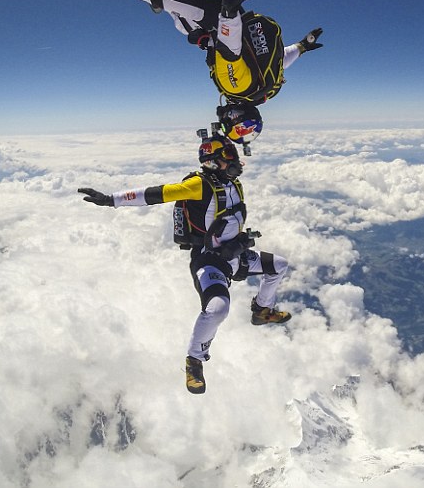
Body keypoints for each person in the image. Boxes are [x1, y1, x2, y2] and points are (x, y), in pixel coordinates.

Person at [54, 0, 323, 146]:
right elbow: (230, 50)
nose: (223, 119)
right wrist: (228, 13)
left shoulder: (265, 92)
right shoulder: (237, 87)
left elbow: (280, 60)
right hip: (216, 16)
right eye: (230, 124)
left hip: (211, 23)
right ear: (236, 117)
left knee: (184, 29)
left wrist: (302, 46)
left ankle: (168, 8)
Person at [77, 126, 291, 394]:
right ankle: (194, 362)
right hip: (210, 260)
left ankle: (261, 311)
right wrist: (111, 200)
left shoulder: (232, 183)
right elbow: (156, 194)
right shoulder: (198, 185)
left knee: (278, 266)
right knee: (217, 310)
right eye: (229, 155)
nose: (235, 161)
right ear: (214, 162)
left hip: (236, 253)